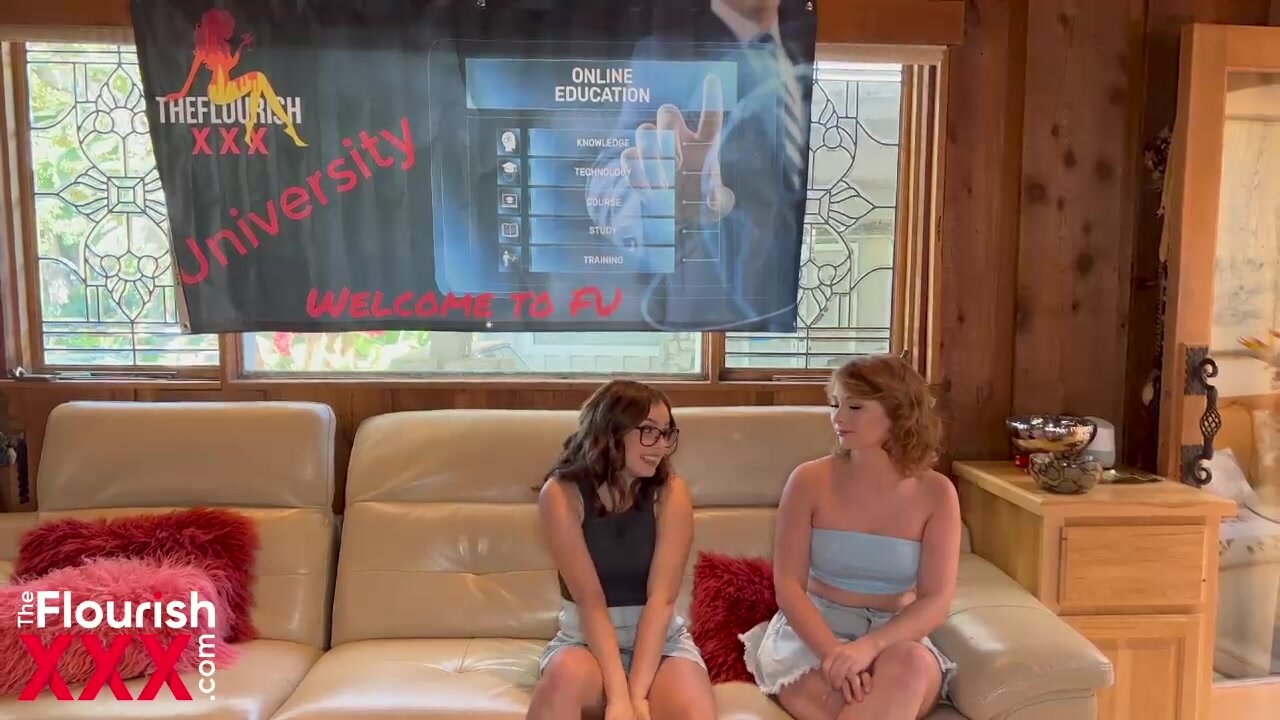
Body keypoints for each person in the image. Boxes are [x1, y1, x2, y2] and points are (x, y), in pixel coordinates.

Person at [741, 355, 961, 720]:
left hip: (894, 634)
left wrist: (869, 647)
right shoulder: (808, 480)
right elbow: (789, 587)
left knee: (908, 665)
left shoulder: (937, 493)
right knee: (862, 702)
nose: (838, 418)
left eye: (855, 407)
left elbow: (936, 600)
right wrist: (834, 655)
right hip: (812, 636)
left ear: (899, 412)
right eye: (834, 404)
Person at [528, 380, 714, 720]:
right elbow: (590, 601)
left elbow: (662, 599)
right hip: (585, 641)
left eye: (666, 433)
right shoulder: (560, 494)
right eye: (649, 431)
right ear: (611, 431)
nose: (661, 445)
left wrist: (637, 695)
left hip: (661, 643)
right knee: (563, 681)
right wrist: (618, 699)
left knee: (694, 710)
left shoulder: (671, 492)